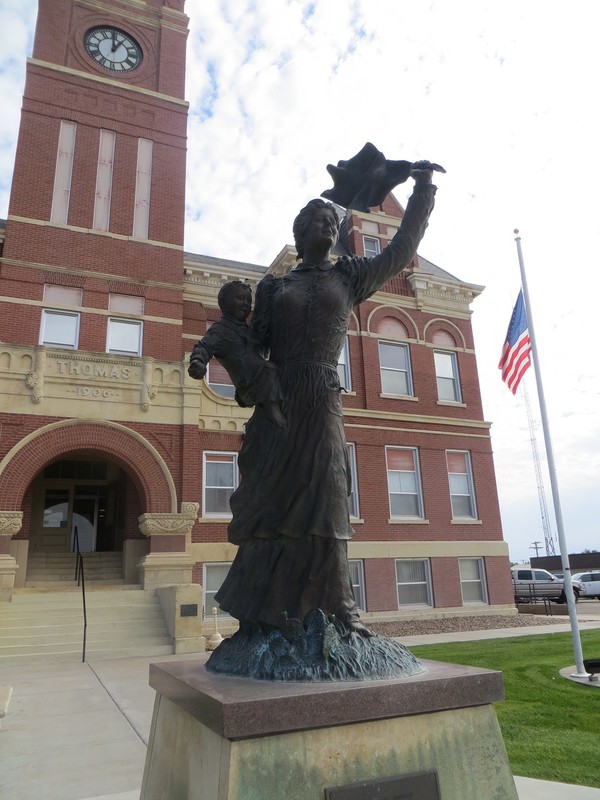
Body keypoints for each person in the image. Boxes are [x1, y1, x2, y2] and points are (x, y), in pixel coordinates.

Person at [214, 166, 437, 637]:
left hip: (321, 395)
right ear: (300, 231)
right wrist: (226, 349)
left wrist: (421, 192)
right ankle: (264, 614)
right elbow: (257, 346)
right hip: (281, 397)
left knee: (329, 495)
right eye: (320, 222)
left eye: (332, 225)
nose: (329, 228)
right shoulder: (275, 288)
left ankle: (340, 610)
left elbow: (401, 250)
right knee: (274, 502)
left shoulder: (350, 276)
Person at [188, 280, 286, 428]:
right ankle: (273, 411)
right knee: (268, 368)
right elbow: (203, 347)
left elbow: (262, 333)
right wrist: (198, 362)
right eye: (240, 298)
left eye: (249, 301)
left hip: (263, 383)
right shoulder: (219, 330)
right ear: (224, 303)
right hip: (249, 386)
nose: (246, 304)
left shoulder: (247, 330)